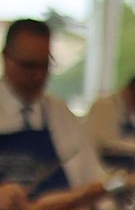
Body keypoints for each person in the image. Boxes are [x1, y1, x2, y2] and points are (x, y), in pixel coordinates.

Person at [0, 19, 105, 193]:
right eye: (29, 66)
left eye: (45, 66)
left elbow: (94, 176)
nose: (39, 76)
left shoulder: (60, 113)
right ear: (6, 58)